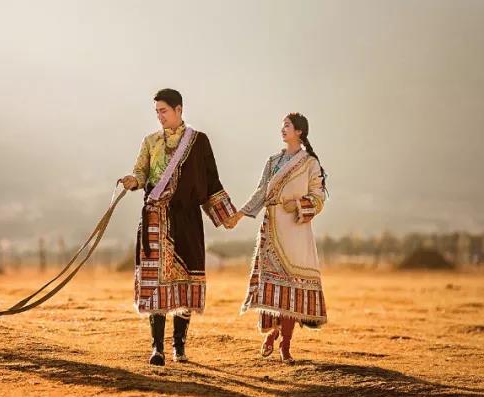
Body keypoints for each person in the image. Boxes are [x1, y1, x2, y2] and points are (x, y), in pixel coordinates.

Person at [119, 88, 238, 366]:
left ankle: (179, 347)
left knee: (186, 282)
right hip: (155, 220)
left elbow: (211, 181)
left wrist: (226, 215)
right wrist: (133, 181)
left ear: (179, 109)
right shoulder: (150, 142)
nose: (160, 116)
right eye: (157, 111)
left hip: (187, 220)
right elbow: (141, 172)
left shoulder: (198, 142)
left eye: (164, 110)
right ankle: (157, 348)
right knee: (156, 283)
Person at [226, 112, 329, 363]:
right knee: (274, 288)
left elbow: (319, 196)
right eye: (282, 125)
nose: (283, 129)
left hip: (295, 229)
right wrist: (239, 214)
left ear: (300, 132)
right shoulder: (273, 161)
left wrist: (299, 205)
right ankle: (273, 333)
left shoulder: (310, 163)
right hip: (271, 227)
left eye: (288, 125)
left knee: (292, 286)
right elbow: (261, 192)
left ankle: (285, 344)